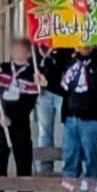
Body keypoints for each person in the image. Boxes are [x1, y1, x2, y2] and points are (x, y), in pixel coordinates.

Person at [0, 39, 40, 192]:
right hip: (0, 119)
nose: (16, 52)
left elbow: (29, 102)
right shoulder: (3, 68)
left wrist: (11, 119)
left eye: (20, 49)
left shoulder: (33, 73)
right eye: (15, 49)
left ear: (28, 53)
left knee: (23, 159)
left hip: (19, 122)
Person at [53, 43, 97, 192]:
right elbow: (62, 88)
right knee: (70, 160)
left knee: (92, 162)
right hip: (71, 118)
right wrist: (45, 81)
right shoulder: (69, 62)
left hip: (92, 119)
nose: (83, 46)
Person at [32, 45, 63, 174]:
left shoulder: (64, 45)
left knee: (68, 130)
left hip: (62, 92)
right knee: (44, 131)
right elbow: (30, 66)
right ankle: (45, 168)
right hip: (43, 94)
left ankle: (69, 165)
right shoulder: (34, 47)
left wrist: (49, 81)